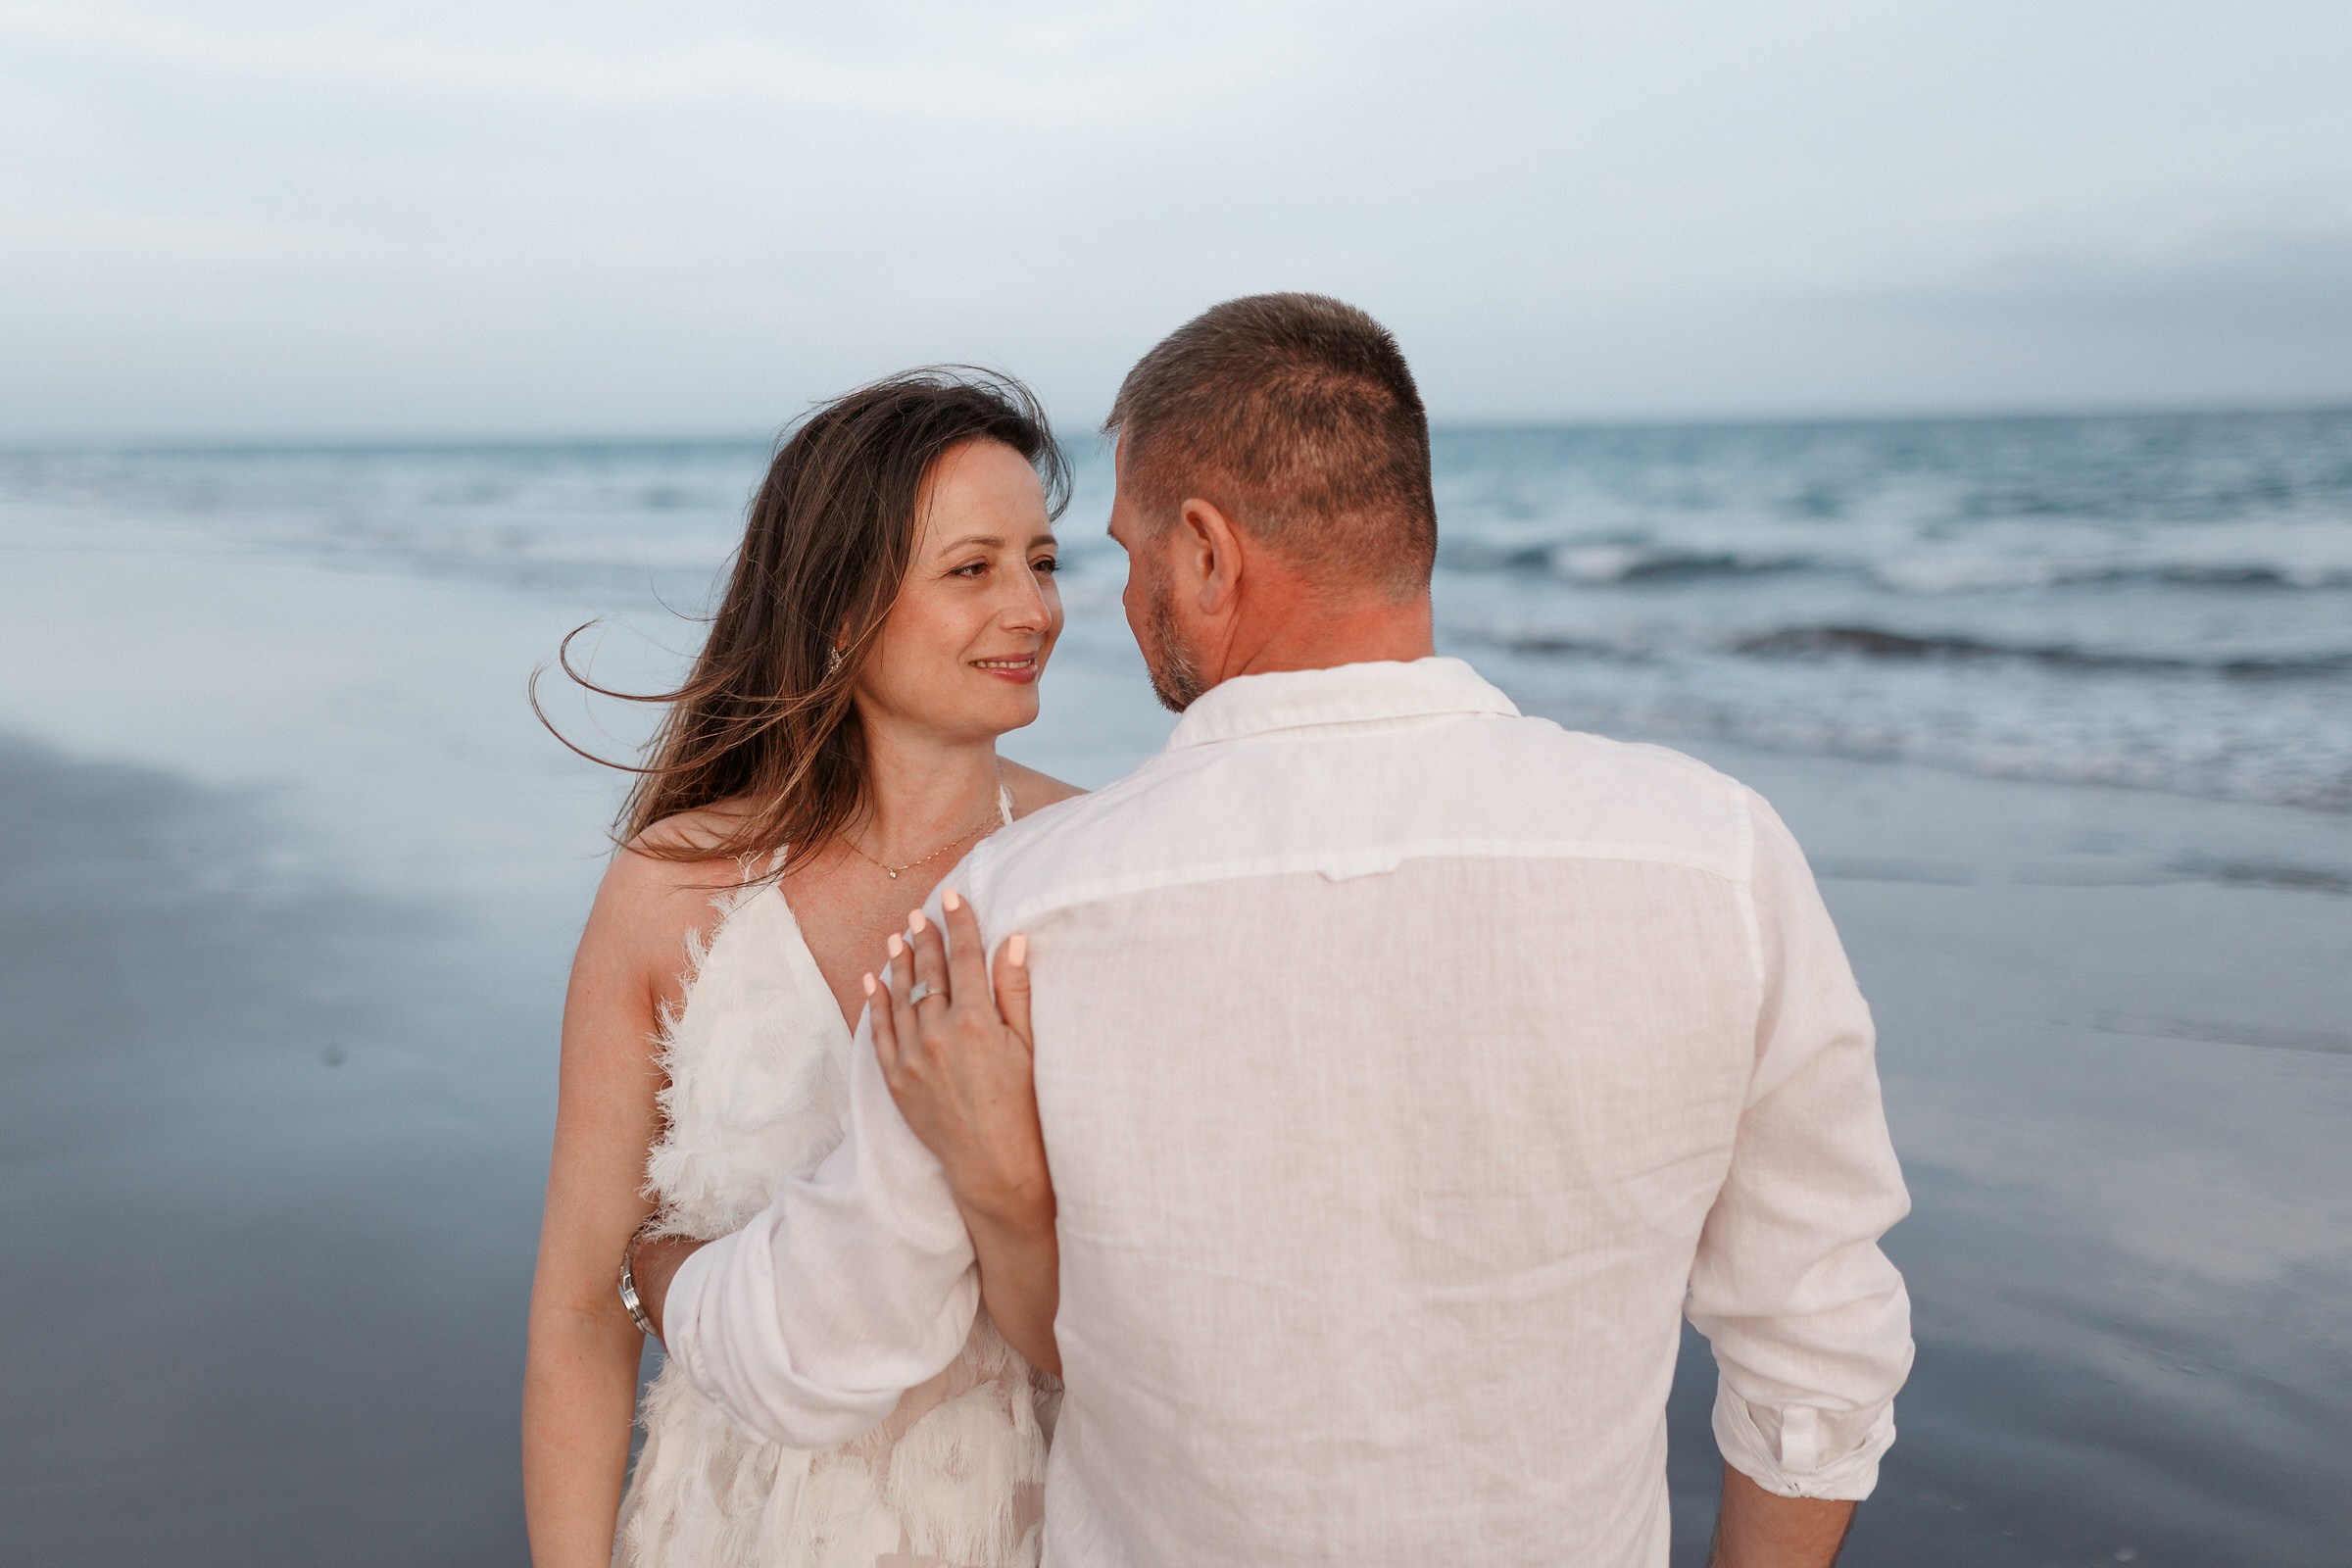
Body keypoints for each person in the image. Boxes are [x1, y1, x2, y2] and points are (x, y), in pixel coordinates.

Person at [630, 295, 1915, 1567]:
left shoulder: (1015, 909)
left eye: (1124, 553)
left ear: (1205, 553)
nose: (1102, 602)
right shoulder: (1712, 857)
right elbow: (1820, 1348)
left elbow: (820, 1350)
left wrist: (659, 1269)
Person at [520, 369, 1085, 1568]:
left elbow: (1124, 1325)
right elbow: (579, 1308)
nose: (1032, 607)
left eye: (1042, 562)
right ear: (840, 604)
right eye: (973, 568)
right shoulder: (672, 888)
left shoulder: (1086, 870)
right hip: (725, 1524)